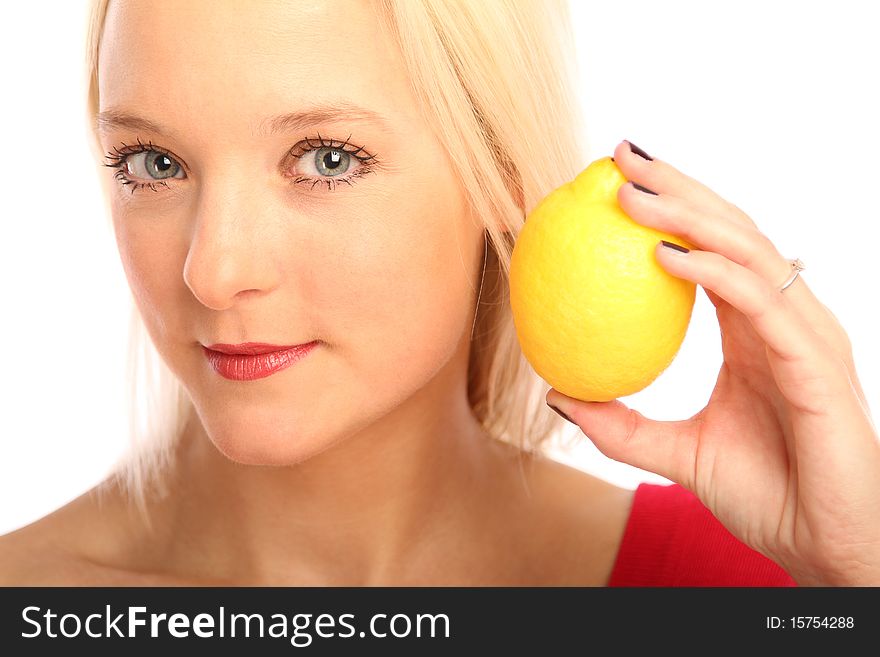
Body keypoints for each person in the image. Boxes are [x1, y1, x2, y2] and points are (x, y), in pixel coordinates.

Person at [1, 0, 877, 587]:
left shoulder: (746, 582)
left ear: (495, 174)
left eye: (326, 158)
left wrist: (856, 570)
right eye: (153, 163)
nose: (215, 270)